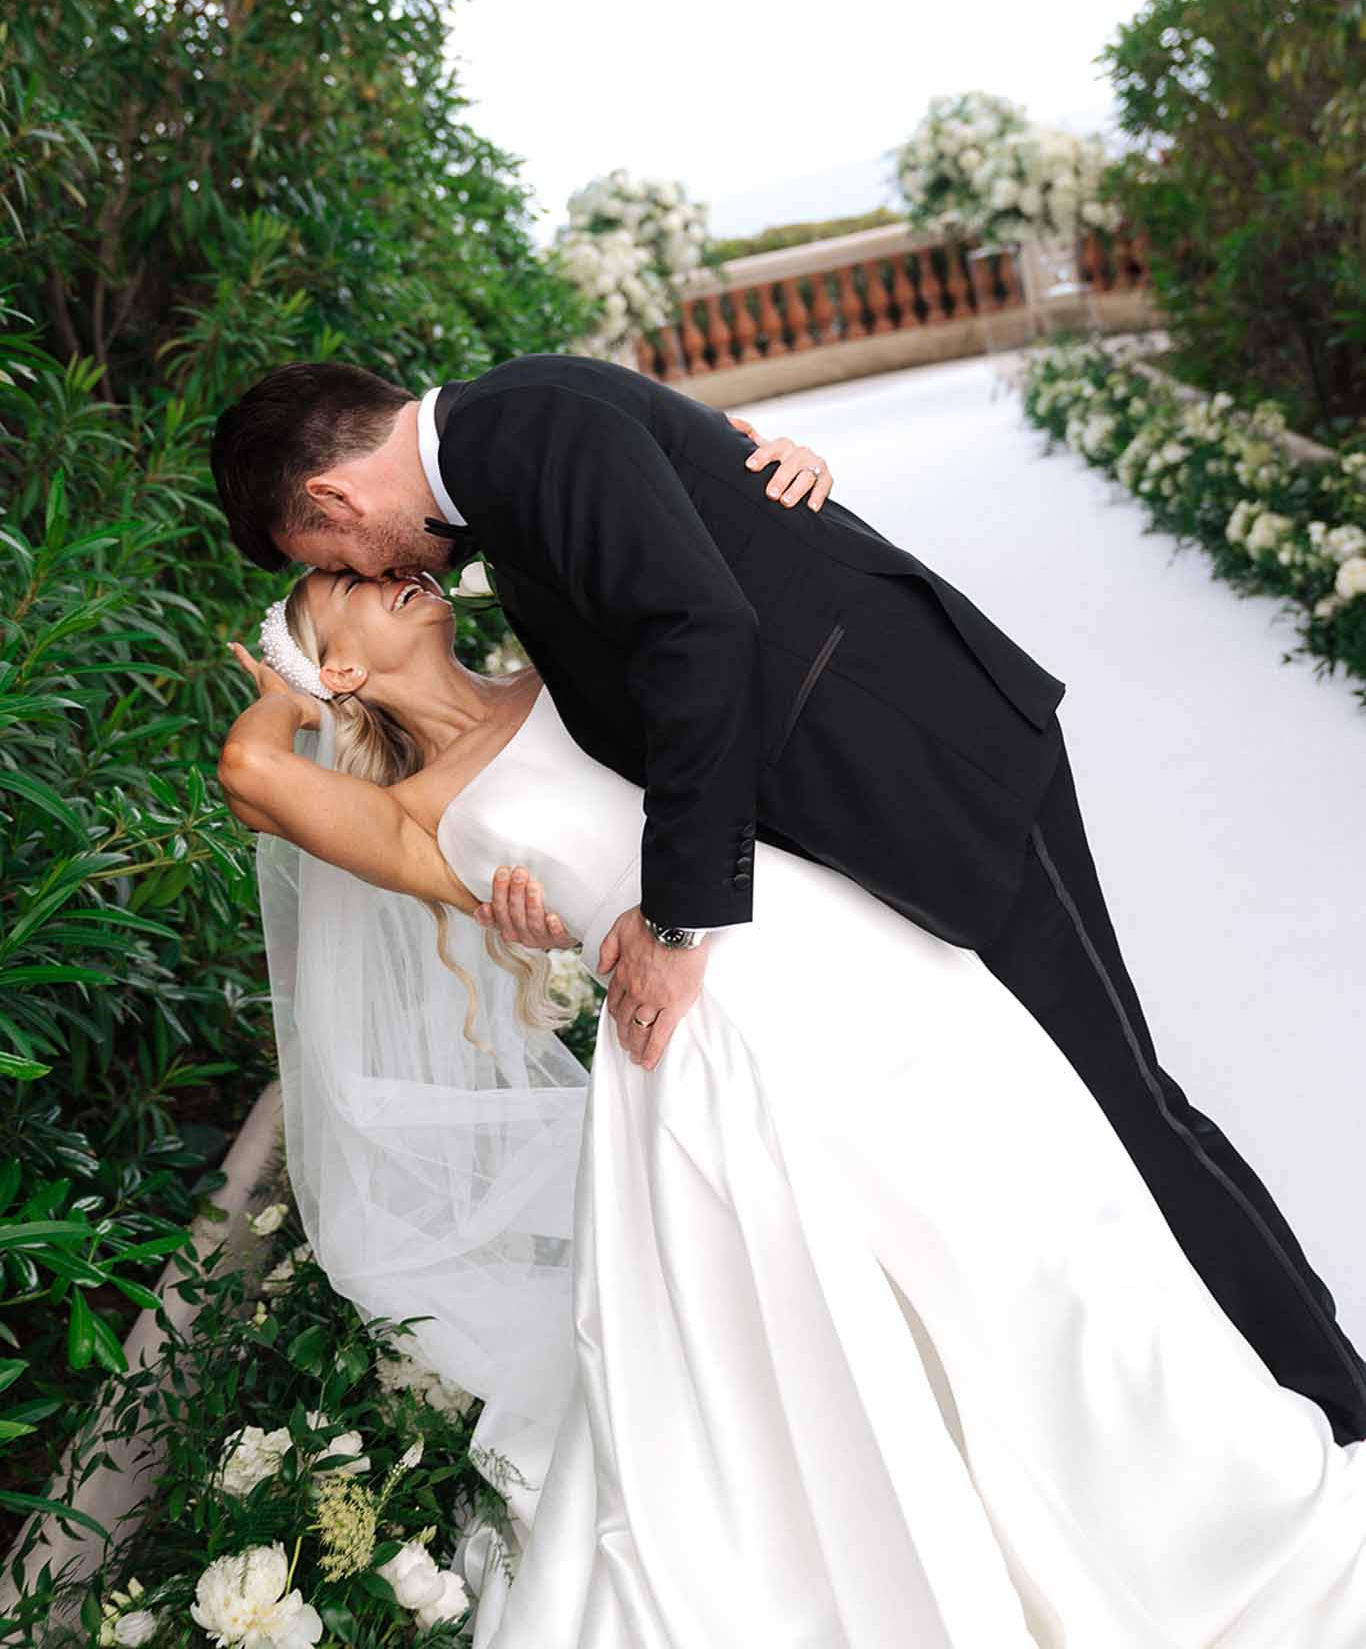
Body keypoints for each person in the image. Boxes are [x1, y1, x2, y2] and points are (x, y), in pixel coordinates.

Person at [211, 352, 1366, 1446]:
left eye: (327, 548)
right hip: (842, 842)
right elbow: (686, 557)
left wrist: (673, 920)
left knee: (1116, 1098)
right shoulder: (505, 457)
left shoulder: (517, 435)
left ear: (328, 494)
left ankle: (1324, 1394)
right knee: (1023, 1145)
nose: (367, 572)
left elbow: (698, 628)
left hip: (930, 771)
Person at [219, 567, 1366, 1647]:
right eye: (348, 591)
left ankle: (1197, 1512)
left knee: (1036, 1230)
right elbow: (254, 776)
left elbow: (711, 642)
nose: (389, 575)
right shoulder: (417, 817)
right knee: (836, 1335)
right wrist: (283, 693)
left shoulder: (564, 666)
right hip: (712, 1048)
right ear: (346, 670)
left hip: (842, 945)